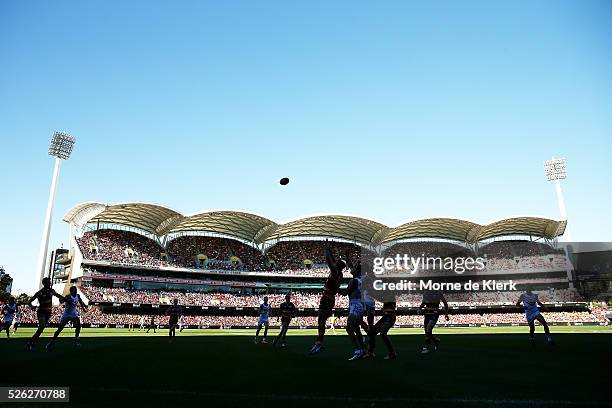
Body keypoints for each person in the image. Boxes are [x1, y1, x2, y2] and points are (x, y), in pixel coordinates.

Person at [309, 240, 346, 354]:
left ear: (338, 266)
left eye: (337, 262)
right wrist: (329, 249)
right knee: (321, 322)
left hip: (327, 298)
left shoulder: (335, 272)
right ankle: (319, 343)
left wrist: (326, 249)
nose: (336, 262)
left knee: (321, 322)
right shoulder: (339, 274)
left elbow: (329, 261)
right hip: (329, 299)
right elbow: (333, 261)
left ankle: (318, 344)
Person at [26, 278, 64, 351]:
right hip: (41, 312)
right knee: (42, 326)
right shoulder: (40, 292)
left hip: (48, 312)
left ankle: (31, 343)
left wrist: (65, 300)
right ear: (44, 283)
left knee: (41, 329)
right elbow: (29, 301)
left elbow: (59, 296)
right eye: (48, 282)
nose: (50, 283)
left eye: (50, 282)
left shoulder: (51, 291)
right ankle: (30, 344)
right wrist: (31, 306)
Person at [343, 260, 366, 360]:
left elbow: (345, 293)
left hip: (355, 305)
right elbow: (353, 268)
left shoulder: (353, 281)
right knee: (357, 329)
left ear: (356, 271)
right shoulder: (361, 279)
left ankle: (357, 350)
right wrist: (349, 258)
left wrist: (333, 289)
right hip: (359, 304)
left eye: (355, 268)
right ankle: (363, 349)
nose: (352, 269)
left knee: (349, 329)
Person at [418, 289, 449, 354]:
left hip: (435, 313)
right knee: (427, 332)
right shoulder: (425, 293)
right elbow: (423, 303)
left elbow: (445, 303)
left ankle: (426, 347)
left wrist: (446, 314)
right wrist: (420, 308)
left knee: (429, 328)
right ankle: (436, 341)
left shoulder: (438, 293)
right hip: (427, 313)